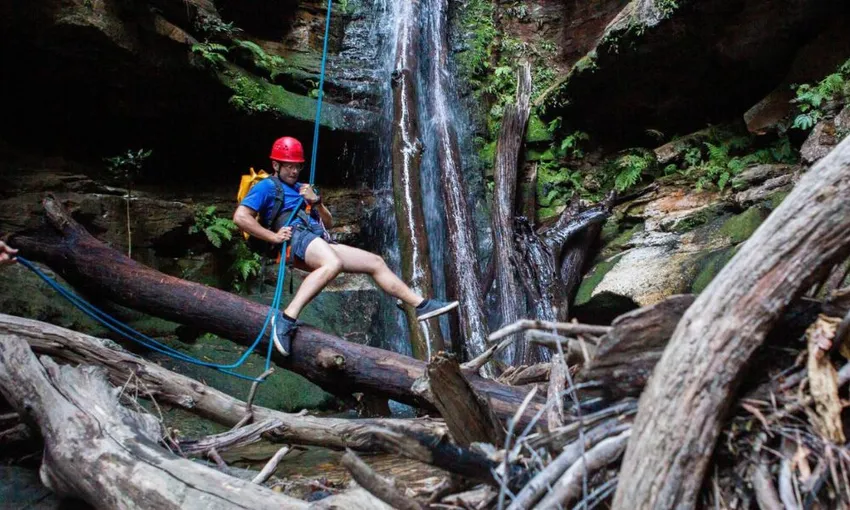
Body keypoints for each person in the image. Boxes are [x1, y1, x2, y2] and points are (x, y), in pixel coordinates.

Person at [234, 136, 458, 356]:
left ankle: (420, 305)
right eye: (289, 166)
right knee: (333, 263)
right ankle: (286, 318)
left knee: (375, 262)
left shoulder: (304, 189)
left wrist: (317, 201)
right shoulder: (266, 187)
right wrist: (272, 237)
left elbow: (329, 223)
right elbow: (241, 217)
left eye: (297, 167)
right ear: (275, 164)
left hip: (318, 237)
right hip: (297, 239)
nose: (294, 171)